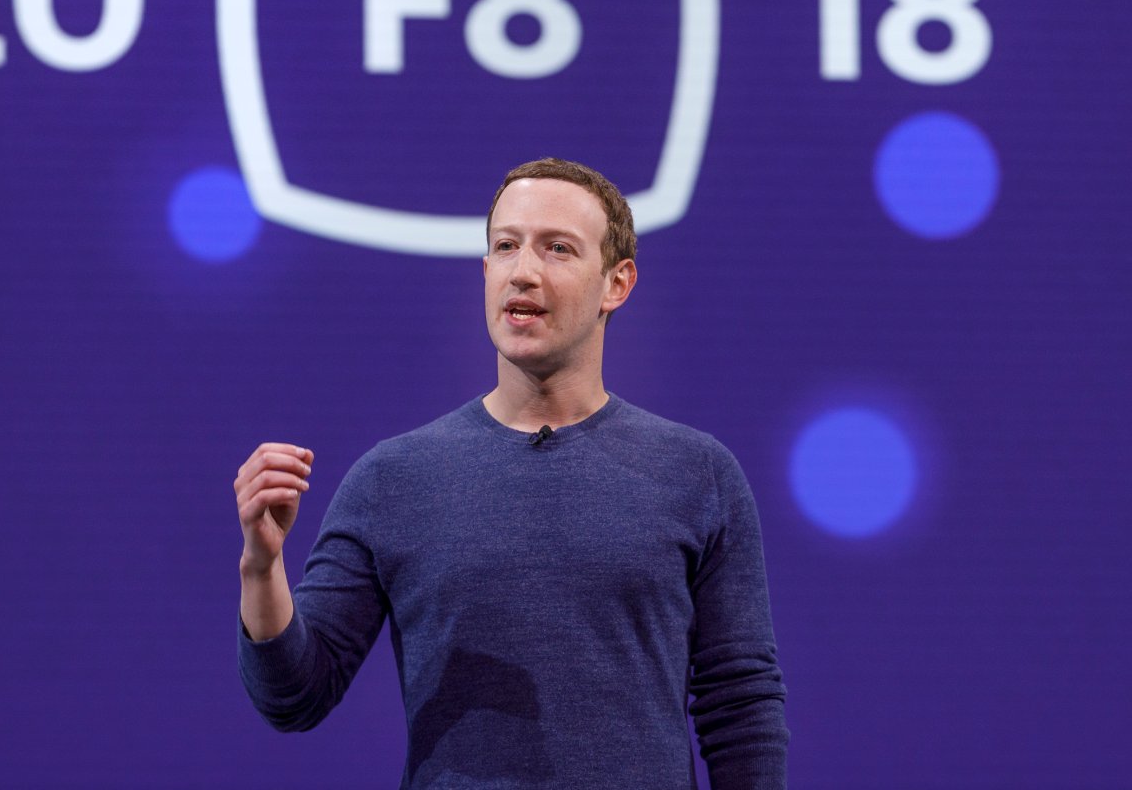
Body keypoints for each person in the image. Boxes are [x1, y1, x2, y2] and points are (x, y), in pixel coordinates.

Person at [236, 158, 788, 788]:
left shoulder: (699, 475)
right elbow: (295, 695)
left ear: (617, 283)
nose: (523, 272)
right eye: (506, 247)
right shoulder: (391, 480)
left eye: (557, 249)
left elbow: (740, 705)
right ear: (486, 271)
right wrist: (261, 568)